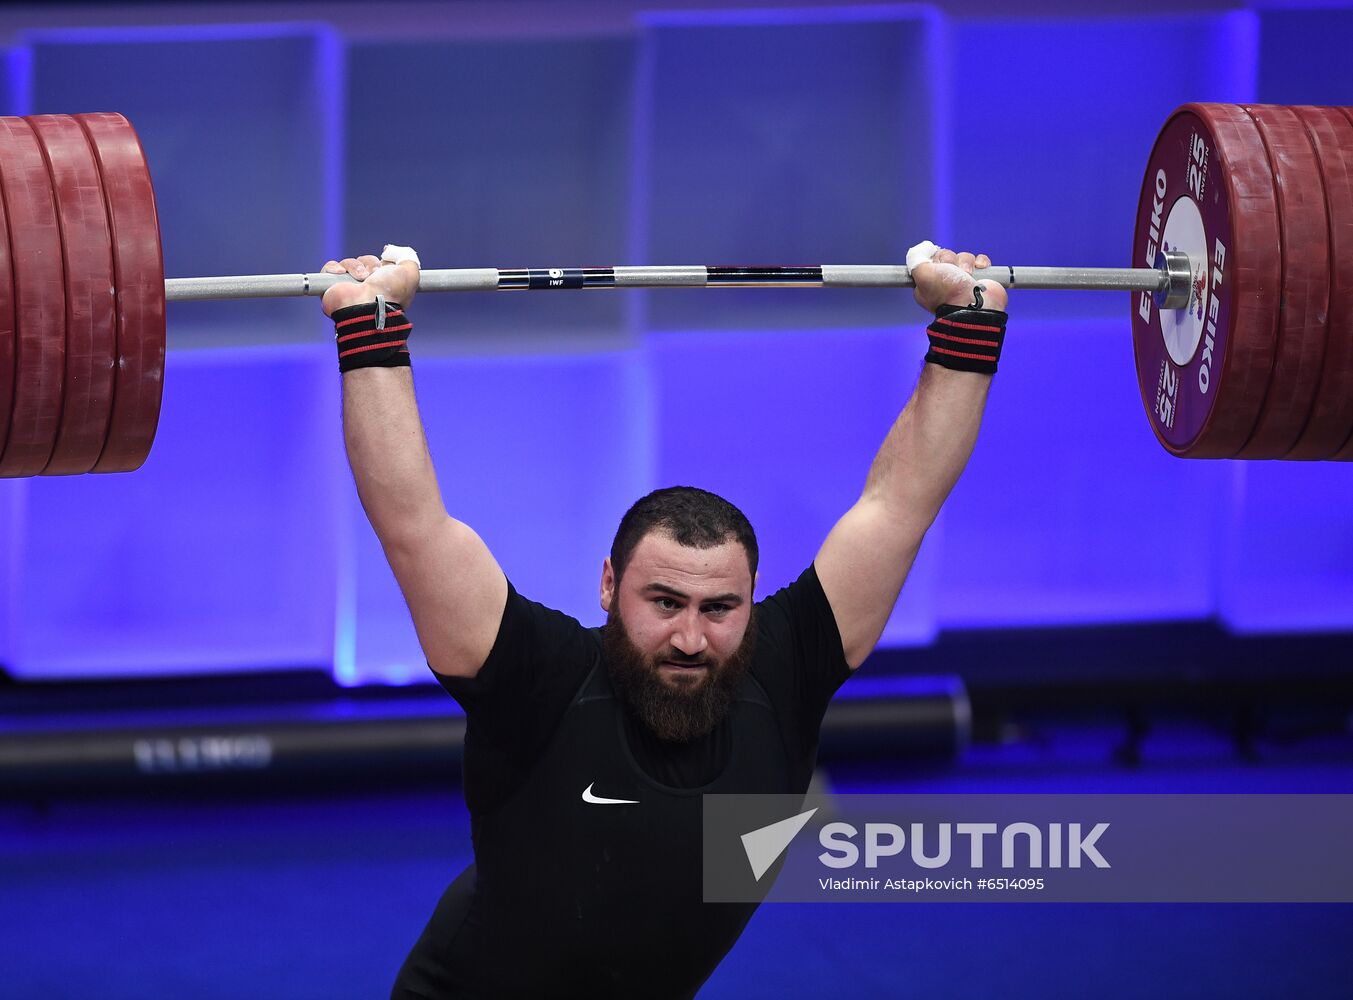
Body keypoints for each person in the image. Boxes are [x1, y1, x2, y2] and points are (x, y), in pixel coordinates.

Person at [321, 245, 1009, 999]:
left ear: (751, 598)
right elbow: (413, 526)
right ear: (610, 586)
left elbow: (900, 503)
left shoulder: (784, 666)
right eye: (664, 603)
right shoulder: (538, 677)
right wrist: (371, 325)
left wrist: (968, 322)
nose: (690, 638)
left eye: (720, 609)